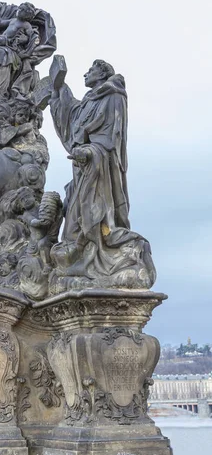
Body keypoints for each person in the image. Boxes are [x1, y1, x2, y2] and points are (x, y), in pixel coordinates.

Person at [48, 59, 156, 289]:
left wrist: (90, 151)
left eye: (91, 70)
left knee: (94, 207)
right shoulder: (89, 100)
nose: (86, 74)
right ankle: (82, 248)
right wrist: (60, 88)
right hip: (83, 165)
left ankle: (98, 247)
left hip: (100, 165)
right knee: (75, 207)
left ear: (102, 73)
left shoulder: (113, 95)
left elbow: (111, 136)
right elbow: (72, 115)